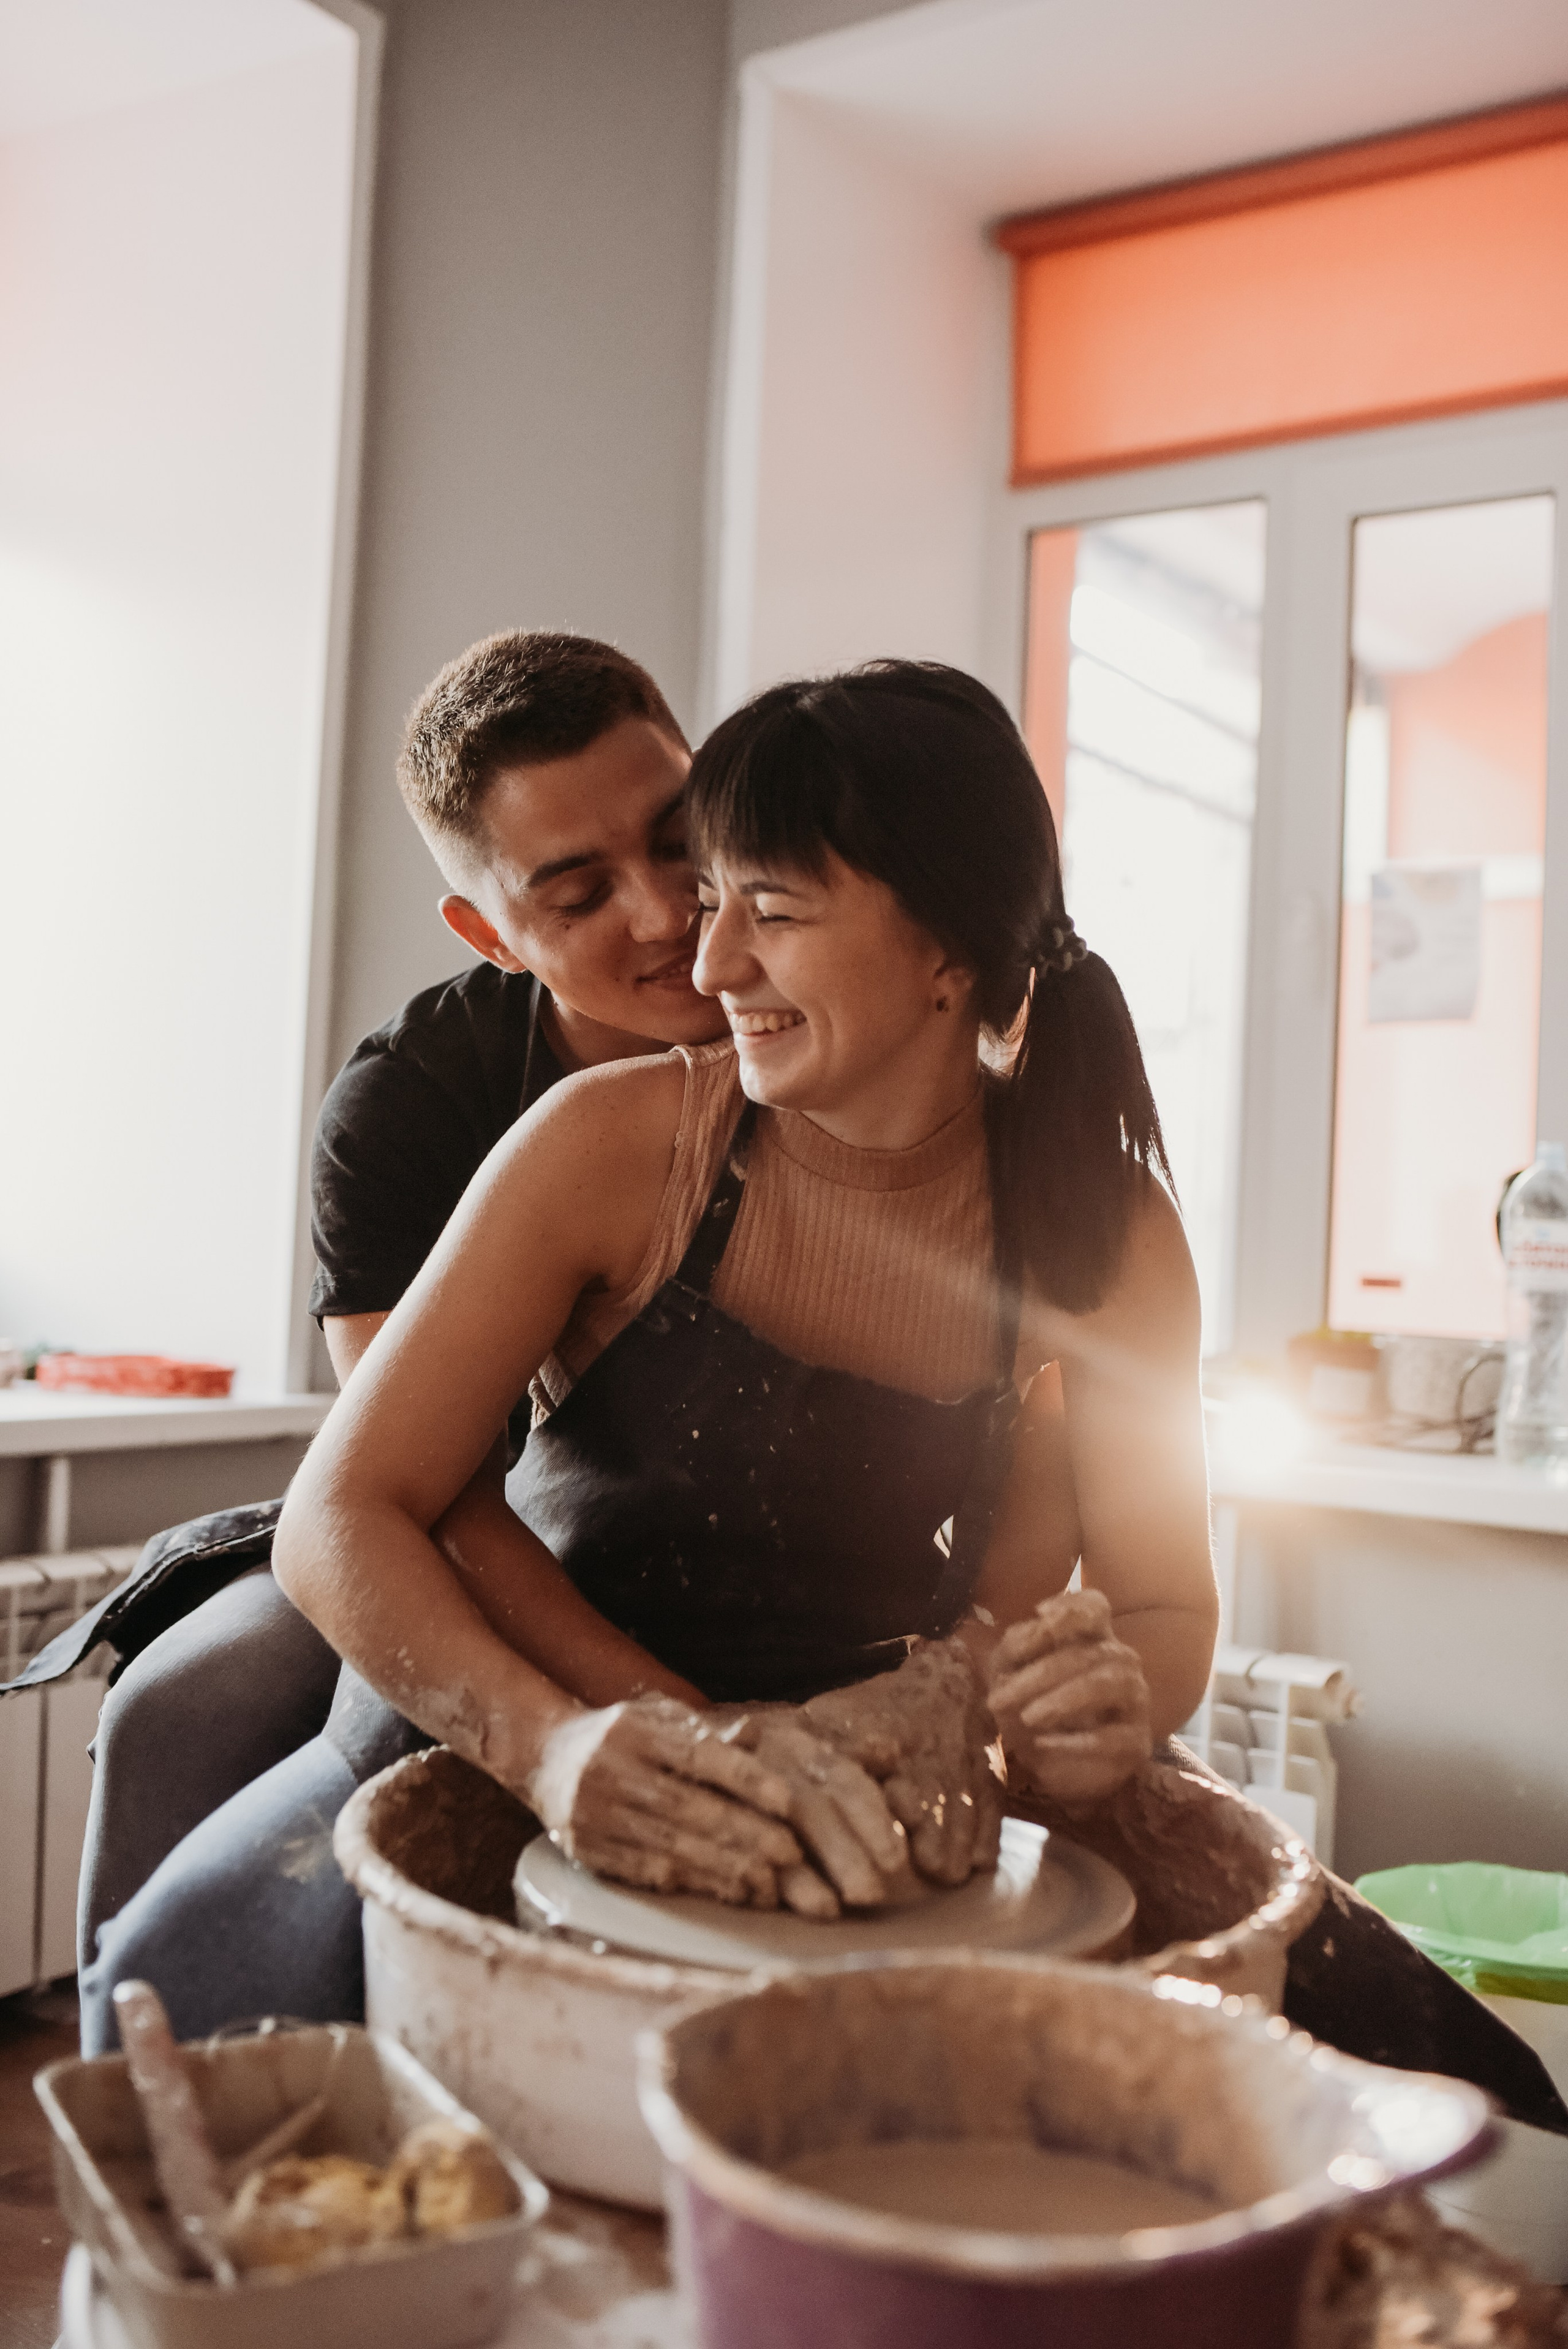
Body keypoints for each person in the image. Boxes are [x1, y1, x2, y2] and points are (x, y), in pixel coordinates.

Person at [80, 657, 1218, 2043]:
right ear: (492, 927)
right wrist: (575, 1748)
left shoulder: (1110, 1230)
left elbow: (1158, 1610)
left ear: (946, 947)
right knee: (176, 1982)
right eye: (591, 891)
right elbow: (365, 1508)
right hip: (519, 1672)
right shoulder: (579, 1136)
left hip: (866, 1772)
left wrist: (1084, 1722)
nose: (701, 948)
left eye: (749, 896)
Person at [64, 630, 729, 1996]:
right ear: (488, 933)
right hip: (472, 1522)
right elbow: (417, 1498)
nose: (666, 915)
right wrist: (663, 1724)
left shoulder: (825, 1012)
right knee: (185, 1707)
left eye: (679, 841)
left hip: (756, 1559)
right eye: (578, 890)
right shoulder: (410, 1108)